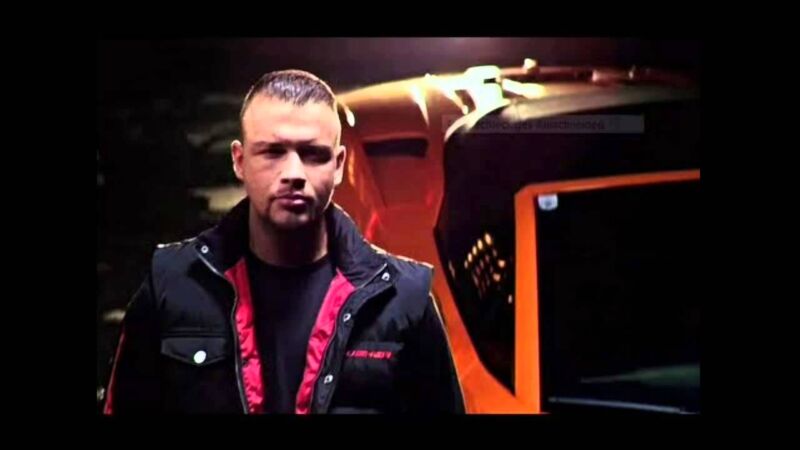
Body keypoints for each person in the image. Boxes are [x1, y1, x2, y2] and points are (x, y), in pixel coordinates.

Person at [102, 69, 465, 414]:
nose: (293, 174)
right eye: (273, 152)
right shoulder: (172, 284)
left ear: (339, 165)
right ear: (239, 161)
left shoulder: (404, 299)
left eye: (313, 155)